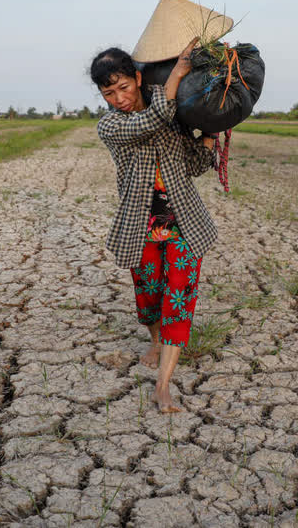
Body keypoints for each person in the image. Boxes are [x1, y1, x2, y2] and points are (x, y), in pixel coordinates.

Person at [91, 39, 217, 413]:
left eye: (124, 87)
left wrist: (210, 135)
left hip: (183, 224)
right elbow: (150, 121)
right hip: (139, 225)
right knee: (149, 294)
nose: (118, 98)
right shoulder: (112, 126)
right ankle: (155, 339)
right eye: (108, 92)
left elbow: (192, 166)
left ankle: (163, 385)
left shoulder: (171, 112)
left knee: (178, 297)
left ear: (138, 78)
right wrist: (177, 73)